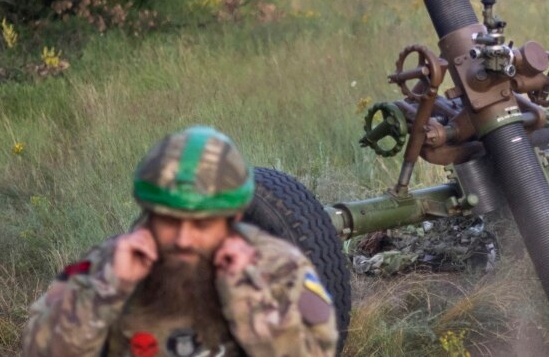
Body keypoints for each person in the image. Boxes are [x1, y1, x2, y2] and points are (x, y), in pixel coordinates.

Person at [23, 126, 338, 357]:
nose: (184, 239)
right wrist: (107, 290)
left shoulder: (280, 268)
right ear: (148, 214)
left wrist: (250, 302)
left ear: (235, 218)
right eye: (169, 221)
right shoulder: (106, 266)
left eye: (203, 224)